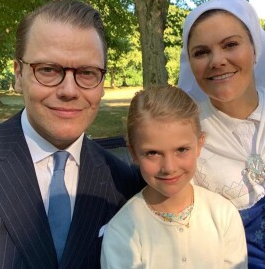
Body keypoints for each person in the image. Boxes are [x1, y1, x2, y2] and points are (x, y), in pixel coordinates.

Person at [0, 0, 143, 268]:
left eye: (87, 72)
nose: (69, 90)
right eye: (48, 70)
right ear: (18, 74)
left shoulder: (124, 182)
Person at [178, 0, 265, 269]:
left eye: (231, 44)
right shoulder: (183, 138)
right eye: (201, 52)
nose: (217, 61)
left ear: (255, 48)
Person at [101, 85, 247, 268]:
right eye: (153, 153)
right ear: (133, 153)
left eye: (181, 150)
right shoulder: (124, 230)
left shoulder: (223, 215)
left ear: (199, 145)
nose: (169, 168)